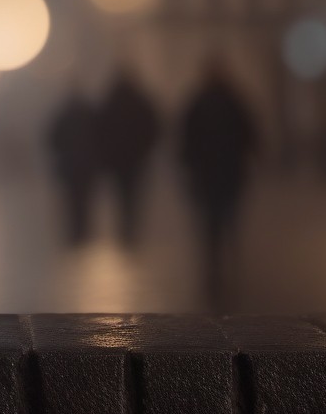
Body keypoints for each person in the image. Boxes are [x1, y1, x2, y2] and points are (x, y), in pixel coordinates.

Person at [178, 57, 258, 307]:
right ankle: (226, 265)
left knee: (210, 222)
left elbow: (185, 138)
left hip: (208, 173)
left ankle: (214, 268)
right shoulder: (234, 100)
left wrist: (189, 164)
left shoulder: (198, 102)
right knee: (228, 219)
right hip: (229, 171)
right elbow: (251, 133)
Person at [91, 71, 162, 246]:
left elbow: (98, 131)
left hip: (119, 160)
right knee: (133, 194)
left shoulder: (109, 101)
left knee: (122, 195)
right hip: (134, 159)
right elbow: (153, 127)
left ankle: (125, 227)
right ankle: (130, 227)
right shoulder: (139, 101)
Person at [45, 92, 98, 245]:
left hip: (70, 167)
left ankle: (76, 232)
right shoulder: (89, 115)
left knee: (72, 201)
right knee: (85, 200)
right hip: (87, 166)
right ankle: (84, 231)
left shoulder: (62, 116)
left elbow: (52, 139)